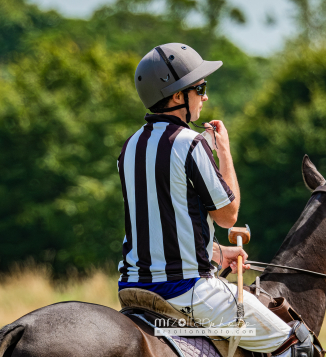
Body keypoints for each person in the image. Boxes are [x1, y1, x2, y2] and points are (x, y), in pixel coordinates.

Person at [116, 43, 293, 356]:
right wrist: (223, 151)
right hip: (186, 292)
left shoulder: (129, 147)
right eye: (200, 88)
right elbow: (228, 215)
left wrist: (215, 251)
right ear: (176, 96)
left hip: (132, 289)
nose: (205, 96)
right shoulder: (191, 143)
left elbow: (160, 224)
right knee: (294, 342)